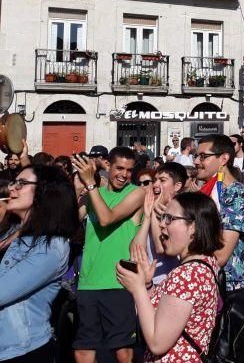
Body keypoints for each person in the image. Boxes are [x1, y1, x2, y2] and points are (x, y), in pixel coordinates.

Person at [116, 192, 222, 362]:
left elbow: (158, 343)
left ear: (193, 227)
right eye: (162, 217)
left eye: (169, 219)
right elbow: (168, 316)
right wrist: (148, 285)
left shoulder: (188, 275)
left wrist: (138, 290)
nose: (162, 224)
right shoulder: (204, 264)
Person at [72, 147, 146, 363]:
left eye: (129, 170)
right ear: (108, 166)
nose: (123, 175)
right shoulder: (94, 194)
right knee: (83, 349)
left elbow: (106, 218)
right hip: (88, 282)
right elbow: (68, 222)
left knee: (123, 351)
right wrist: (77, 187)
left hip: (118, 282)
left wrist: (91, 185)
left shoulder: (136, 192)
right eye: (119, 168)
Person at [0, 165, 80, 362]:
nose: (12, 188)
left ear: (45, 192)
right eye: (13, 182)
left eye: (21, 183)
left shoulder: (51, 247)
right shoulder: (10, 233)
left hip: (20, 350)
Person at [194, 134, 244, 296]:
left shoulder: (235, 193)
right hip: (205, 282)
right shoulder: (210, 191)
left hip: (226, 287)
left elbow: (221, 255)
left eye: (203, 156)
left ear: (223, 159)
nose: (196, 161)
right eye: (196, 156)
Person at [131, 162, 187, 286]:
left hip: (171, 281)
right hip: (149, 281)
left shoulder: (182, 212)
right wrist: (147, 217)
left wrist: (155, 215)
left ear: (177, 186)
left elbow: (160, 247)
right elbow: (136, 250)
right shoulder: (148, 208)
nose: (155, 185)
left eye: (162, 180)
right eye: (155, 180)